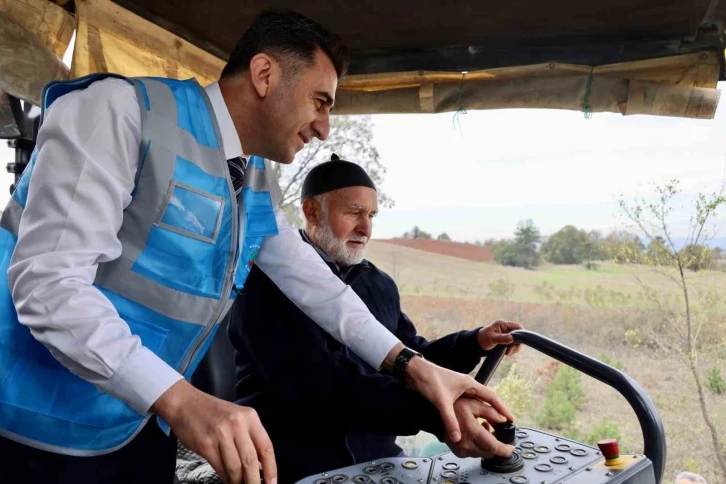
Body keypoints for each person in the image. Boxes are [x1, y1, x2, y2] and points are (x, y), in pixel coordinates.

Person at [0, 10, 513, 484]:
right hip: (33, 423)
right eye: (320, 101)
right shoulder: (118, 112)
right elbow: (48, 285)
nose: (324, 127)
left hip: (137, 423)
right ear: (265, 75)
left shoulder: (254, 179)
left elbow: (323, 293)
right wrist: (185, 402)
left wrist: (420, 369)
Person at [229, 156, 525, 482]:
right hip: (291, 461)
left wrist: (475, 342)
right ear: (312, 211)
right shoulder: (264, 283)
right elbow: (320, 383)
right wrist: (438, 414)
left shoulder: (379, 284)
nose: (366, 228)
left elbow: (413, 358)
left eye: (371, 216)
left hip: (378, 459)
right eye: (353, 213)